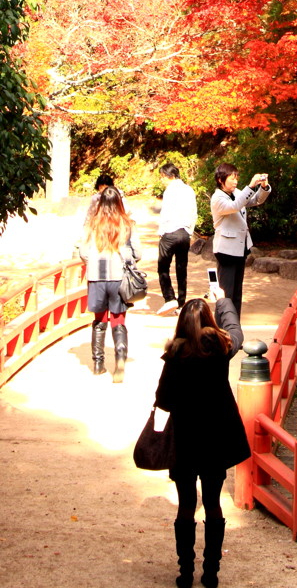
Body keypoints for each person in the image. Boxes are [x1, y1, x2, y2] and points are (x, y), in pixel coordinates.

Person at [154, 294, 250, 588]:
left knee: (186, 504)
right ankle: (211, 571)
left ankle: (185, 572)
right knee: (212, 503)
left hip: (185, 439)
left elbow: (164, 400)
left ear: (182, 324)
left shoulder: (175, 356)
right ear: (209, 321)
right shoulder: (221, 348)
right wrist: (223, 301)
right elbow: (236, 331)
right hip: (215, 437)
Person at [78, 185, 141, 381]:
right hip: (118, 276)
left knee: (99, 320)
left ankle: (98, 364)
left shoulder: (92, 224)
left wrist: (94, 261)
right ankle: (120, 361)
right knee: (118, 319)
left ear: (101, 202)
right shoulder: (127, 224)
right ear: (119, 202)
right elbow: (138, 253)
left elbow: (83, 252)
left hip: (97, 276)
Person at [210, 164, 271, 317]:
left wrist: (263, 187)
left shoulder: (237, 193)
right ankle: (222, 331)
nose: (235, 182)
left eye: (236, 178)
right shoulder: (217, 198)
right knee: (226, 295)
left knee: (237, 294)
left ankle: (234, 329)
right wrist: (250, 186)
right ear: (220, 180)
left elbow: (256, 200)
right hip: (225, 250)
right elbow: (235, 206)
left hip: (240, 248)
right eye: (232, 178)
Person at [157, 163, 198, 315]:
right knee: (181, 269)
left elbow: (165, 212)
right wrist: (190, 232)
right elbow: (194, 212)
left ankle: (169, 299)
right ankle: (181, 304)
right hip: (184, 233)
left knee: (163, 267)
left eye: (163, 177)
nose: (162, 180)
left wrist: (161, 232)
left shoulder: (170, 191)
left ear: (171, 176)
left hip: (170, 232)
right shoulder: (189, 189)